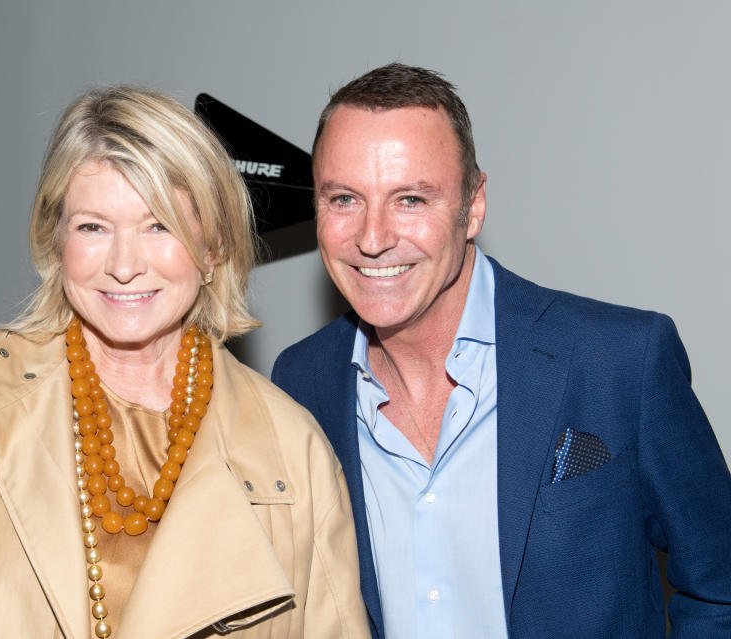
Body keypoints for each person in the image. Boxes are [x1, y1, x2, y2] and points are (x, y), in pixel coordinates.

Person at [0, 87, 370, 639]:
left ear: (213, 247)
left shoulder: (293, 451)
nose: (124, 264)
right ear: (56, 245)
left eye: (158, 226)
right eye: (93, 227)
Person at [272, 63, 731, 638]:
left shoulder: (620, 360)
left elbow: (721, 591)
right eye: (344, 199)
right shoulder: (300, 380)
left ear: (474, 205)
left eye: (411, 199)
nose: (372, 237)